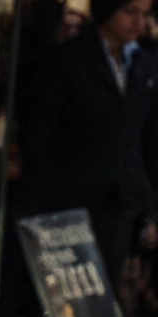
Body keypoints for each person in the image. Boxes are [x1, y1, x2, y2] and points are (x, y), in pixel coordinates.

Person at [21, 0, 158, 296]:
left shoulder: (144, 66)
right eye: (129, 11)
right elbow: (40, 132)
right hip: (70, 198)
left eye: (144, 14)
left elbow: (147, 138)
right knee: (64, 293)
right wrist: (43, 193)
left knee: (100, 293)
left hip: (120, 200)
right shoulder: (68, 60)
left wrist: (147, 203)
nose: (138, 21)